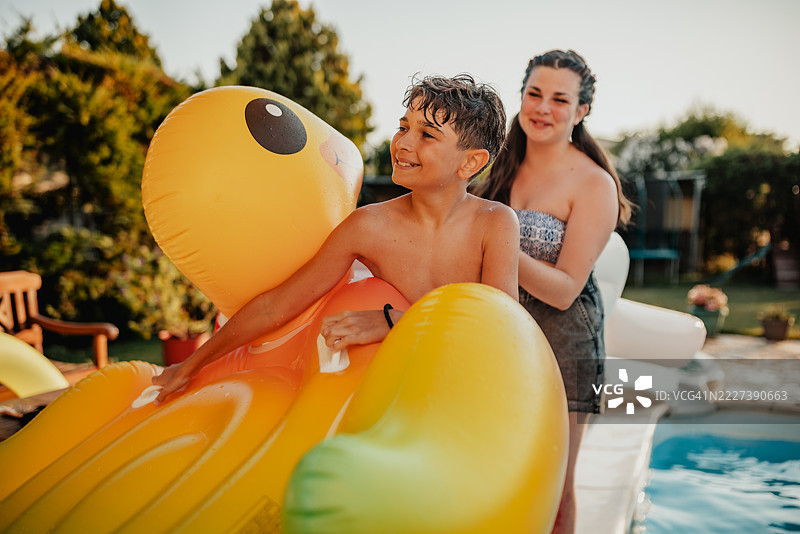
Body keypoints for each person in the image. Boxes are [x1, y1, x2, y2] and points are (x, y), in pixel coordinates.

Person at [153, 73, 519, 405]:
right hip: (397, 394)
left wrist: (394, 321)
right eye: (403, 127)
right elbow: (277, 304)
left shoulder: (494, 224)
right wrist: (191, 364)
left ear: (470, 163)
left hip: (468, 390)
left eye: (426, 135)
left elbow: (498, 328)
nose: (403, 143)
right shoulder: (368, 226)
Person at [472, 49, 633, 534]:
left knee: (555, 487)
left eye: (560, 99)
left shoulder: (592, 184)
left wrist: (496, 245)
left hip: (565, 341)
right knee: (496, 467)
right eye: (534, 94)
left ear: (582, 111)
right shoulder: (501, 166)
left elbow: (565, 290)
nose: (542, 108)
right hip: (502, 332)